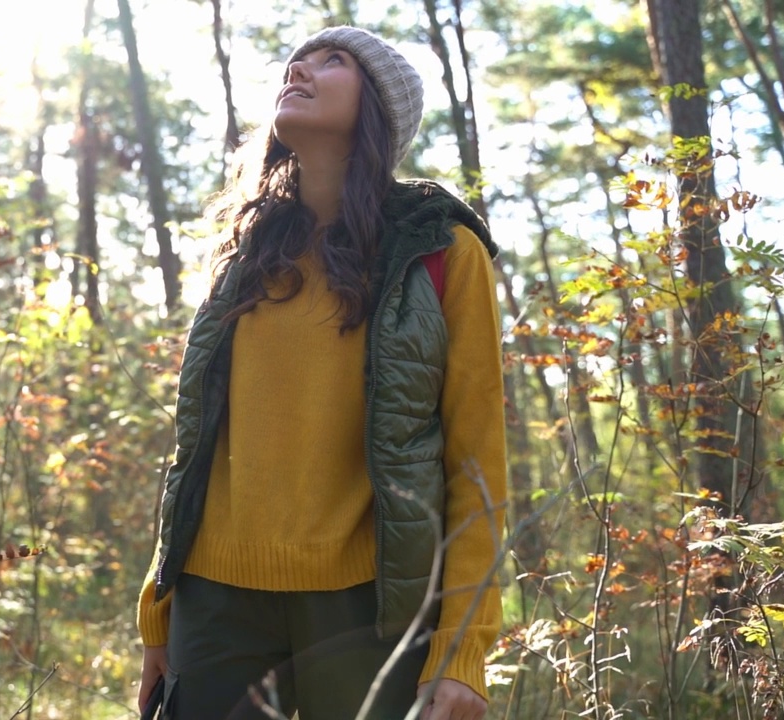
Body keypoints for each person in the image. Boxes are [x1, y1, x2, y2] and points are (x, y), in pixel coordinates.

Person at [135, 25, 506, 720]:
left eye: (332, 61)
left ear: (380, 110)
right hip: (213, 603)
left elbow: (477, 459)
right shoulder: (243, 252)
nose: (300, 69)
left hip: (369, 607)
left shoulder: (441, 250)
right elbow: (195, 443)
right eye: (296, 60)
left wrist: (464, 650)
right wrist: (158, 612)